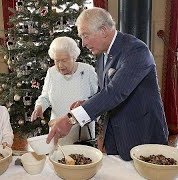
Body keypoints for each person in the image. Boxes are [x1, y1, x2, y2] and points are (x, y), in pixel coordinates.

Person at [46, 7, 169, 161]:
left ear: (103, 30)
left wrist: (72, 119)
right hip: (118, 137)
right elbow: (106, 91)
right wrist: (87, 103)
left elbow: (115, 93)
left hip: (141, 135)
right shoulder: (107, 53)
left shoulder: (135, 50)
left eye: (85, 36)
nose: (83, 43)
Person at [31, 36, 98, 145]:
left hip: (82, 132)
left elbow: (97, 99)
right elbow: (45, 97)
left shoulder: (87, 71)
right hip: (58, 130)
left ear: (74, 57)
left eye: (64, 60)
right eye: (56, 61)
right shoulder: (51, 73)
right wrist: (39, 107)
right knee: (58, 159)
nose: (60, 65)